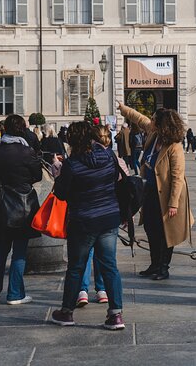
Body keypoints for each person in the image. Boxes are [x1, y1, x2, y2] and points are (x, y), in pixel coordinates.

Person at [50, 121, 125, 330]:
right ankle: (116, 315)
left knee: (76, 267)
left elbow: (62, 194)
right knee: (110, 266)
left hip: (83, 221)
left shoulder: (72, 165)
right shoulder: (109, 155)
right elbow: (115, 180)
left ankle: (66, 313)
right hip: (109, 217)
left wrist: (58, 172)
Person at [118, 102, 194, 281]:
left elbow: (177, 177)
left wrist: (173, 203)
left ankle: (163, 267)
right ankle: (153, 264)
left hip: (168, 195)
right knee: (151, 228)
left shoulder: (174, 147)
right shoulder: (153, 135)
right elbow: (140, 118)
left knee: (166, 231)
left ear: (161, 124)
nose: (149, 121)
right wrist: (123, 109)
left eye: (153, 119)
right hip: (150, 191)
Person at [0, 114, 42, 305]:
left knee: (1, 248)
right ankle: (15, 293)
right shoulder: (27, 151)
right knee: (19, 250)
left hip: (1, 203)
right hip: (22, 203)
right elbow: (37, 175)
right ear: (22, 130)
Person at [76, 125, 129, 308]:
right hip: (109, 214)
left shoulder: (81, 158)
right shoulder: (116, 159)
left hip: (86, 215)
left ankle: (82, 291)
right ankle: (102, 291)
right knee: (106, 259)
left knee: (85, 256)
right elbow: (125, 186)